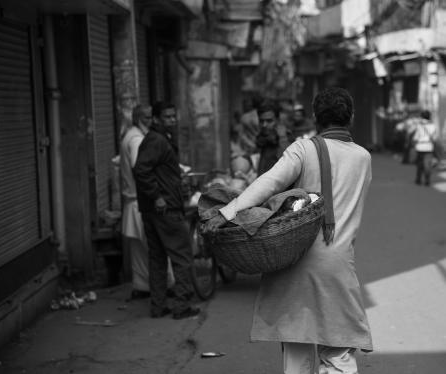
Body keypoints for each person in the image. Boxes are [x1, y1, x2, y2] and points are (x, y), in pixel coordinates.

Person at [203, 87, 373, 374]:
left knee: (297, 351)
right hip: (340, 265)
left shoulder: (303, 149)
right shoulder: (363, 157)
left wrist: (227, 212)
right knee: (340, 352)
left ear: (315, 117)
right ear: (351, 118)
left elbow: (267, 183)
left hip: (296, 263)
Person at [133, 102, 200, 320]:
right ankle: (181, 306)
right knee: (182, 256)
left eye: (173, 116)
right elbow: (141, 170)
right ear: (156, 119)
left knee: (158, 258)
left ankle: (158, 306)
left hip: (156, 208)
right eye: (167, 117)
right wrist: (158, 197)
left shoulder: (160, 139)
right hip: (165, 209)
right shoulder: (157, 140)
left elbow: (154, 170)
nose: (172, 120)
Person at [120, 105, 151, 300]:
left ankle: (142, 286)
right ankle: (167, 286)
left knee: (140, 252)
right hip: (140, 201)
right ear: (140, 119)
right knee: (154, 248)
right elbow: (139, 167)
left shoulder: (129, 135)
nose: (151, 120)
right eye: (148, 117)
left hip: (132, 201)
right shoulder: (137, 139)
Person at [412, 109, 438, 186]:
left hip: (420, 147)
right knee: (428, 164)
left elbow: (415, 137)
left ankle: (418, 179)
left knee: (419, 164)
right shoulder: (433, 126)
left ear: (422, 116)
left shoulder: (419, 126)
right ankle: (427, 179)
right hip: (429, 147)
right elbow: (435, 138)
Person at [256, 103, 280, 176]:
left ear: (277, 120)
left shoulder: (284, 140)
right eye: (261, 121)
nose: (264, 125)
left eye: (269, 121)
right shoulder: (262, 139)